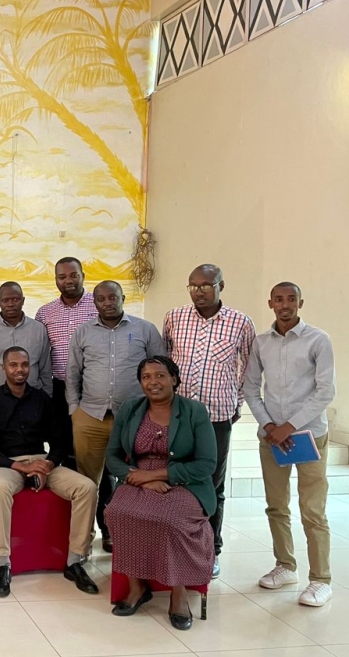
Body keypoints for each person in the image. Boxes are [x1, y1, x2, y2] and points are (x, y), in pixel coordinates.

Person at [105, 356, 217, 631]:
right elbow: (112, 456)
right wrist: (140, 479)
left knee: (170, 519)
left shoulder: (194, 411)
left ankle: (178, 593)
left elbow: (206, 464)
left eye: (160, 376)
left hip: (185, 483)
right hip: (138, 479)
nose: (153, 382)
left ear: (174, 379)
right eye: (146, 377)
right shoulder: (131, 409)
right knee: (117, 512)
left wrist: (156, 475)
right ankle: (136, 587)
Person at [244, 282, 336, 607]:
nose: (285, 304)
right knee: (276, 505)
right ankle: (285, 566)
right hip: (272, 438)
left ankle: (320, 580)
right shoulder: (260, 342)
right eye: (279, 299)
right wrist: (269, 425)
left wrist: (289, 426)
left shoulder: (318, 340)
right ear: (270, 303)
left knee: (312, 510)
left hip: (308, 436)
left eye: (291, 299)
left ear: (300, 302)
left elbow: (325, 391)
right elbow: (251, 387)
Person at [0, 347, 99, 598]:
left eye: (24, 365)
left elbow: (60, 441)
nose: (19, 370)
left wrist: (48, 465)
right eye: (13, 365)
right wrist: (22, 467)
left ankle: (74, 560)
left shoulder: (43, 399)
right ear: (3, 368)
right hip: (8, 464)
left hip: (42, 461)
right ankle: (4, 564)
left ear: (30, 368)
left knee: (86, 487)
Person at [163, 264, 255, 578]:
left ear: (220, 285)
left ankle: (210, 549)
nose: (199, 291)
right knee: (174, 478)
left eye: (205, 285)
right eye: (193, 286)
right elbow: (166, 359)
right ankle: (174, 544)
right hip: (178, 416)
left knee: (212, 484)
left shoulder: (240, 322)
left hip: (217, 416)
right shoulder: (175, 317)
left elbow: (250, 367)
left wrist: (235, 400)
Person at [67, 280, 165, 552]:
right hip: (90, 417)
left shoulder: (145, 330)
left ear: (123, 298)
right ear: (94, 302)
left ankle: (127, 538)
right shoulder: (83, 332)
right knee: (88, 483)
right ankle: (83, 542)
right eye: (101, 298)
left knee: (132, 479)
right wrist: (74, 409)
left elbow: (161, 370)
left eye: (113, 297)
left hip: (134, 419)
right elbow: (73, 373)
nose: (108, 302)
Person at [35, 257, 97, 465]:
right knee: (61, 440)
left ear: (83, 277)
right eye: (62, 276)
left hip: (92, 387)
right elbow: (41, 353)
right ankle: (67, 490)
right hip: (59, 387)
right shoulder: (45, 313)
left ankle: (103, 493)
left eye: (73, 275)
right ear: (55, 280)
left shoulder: (98, 305)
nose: (68, 280)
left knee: (93, 442)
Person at [0, 281, 52, 414]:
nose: (11, 304)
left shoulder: (39, 329)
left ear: (23, 300)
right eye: (5, 300)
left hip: (32, 400)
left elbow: (45, 369)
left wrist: (47, 398)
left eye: (15, 299)